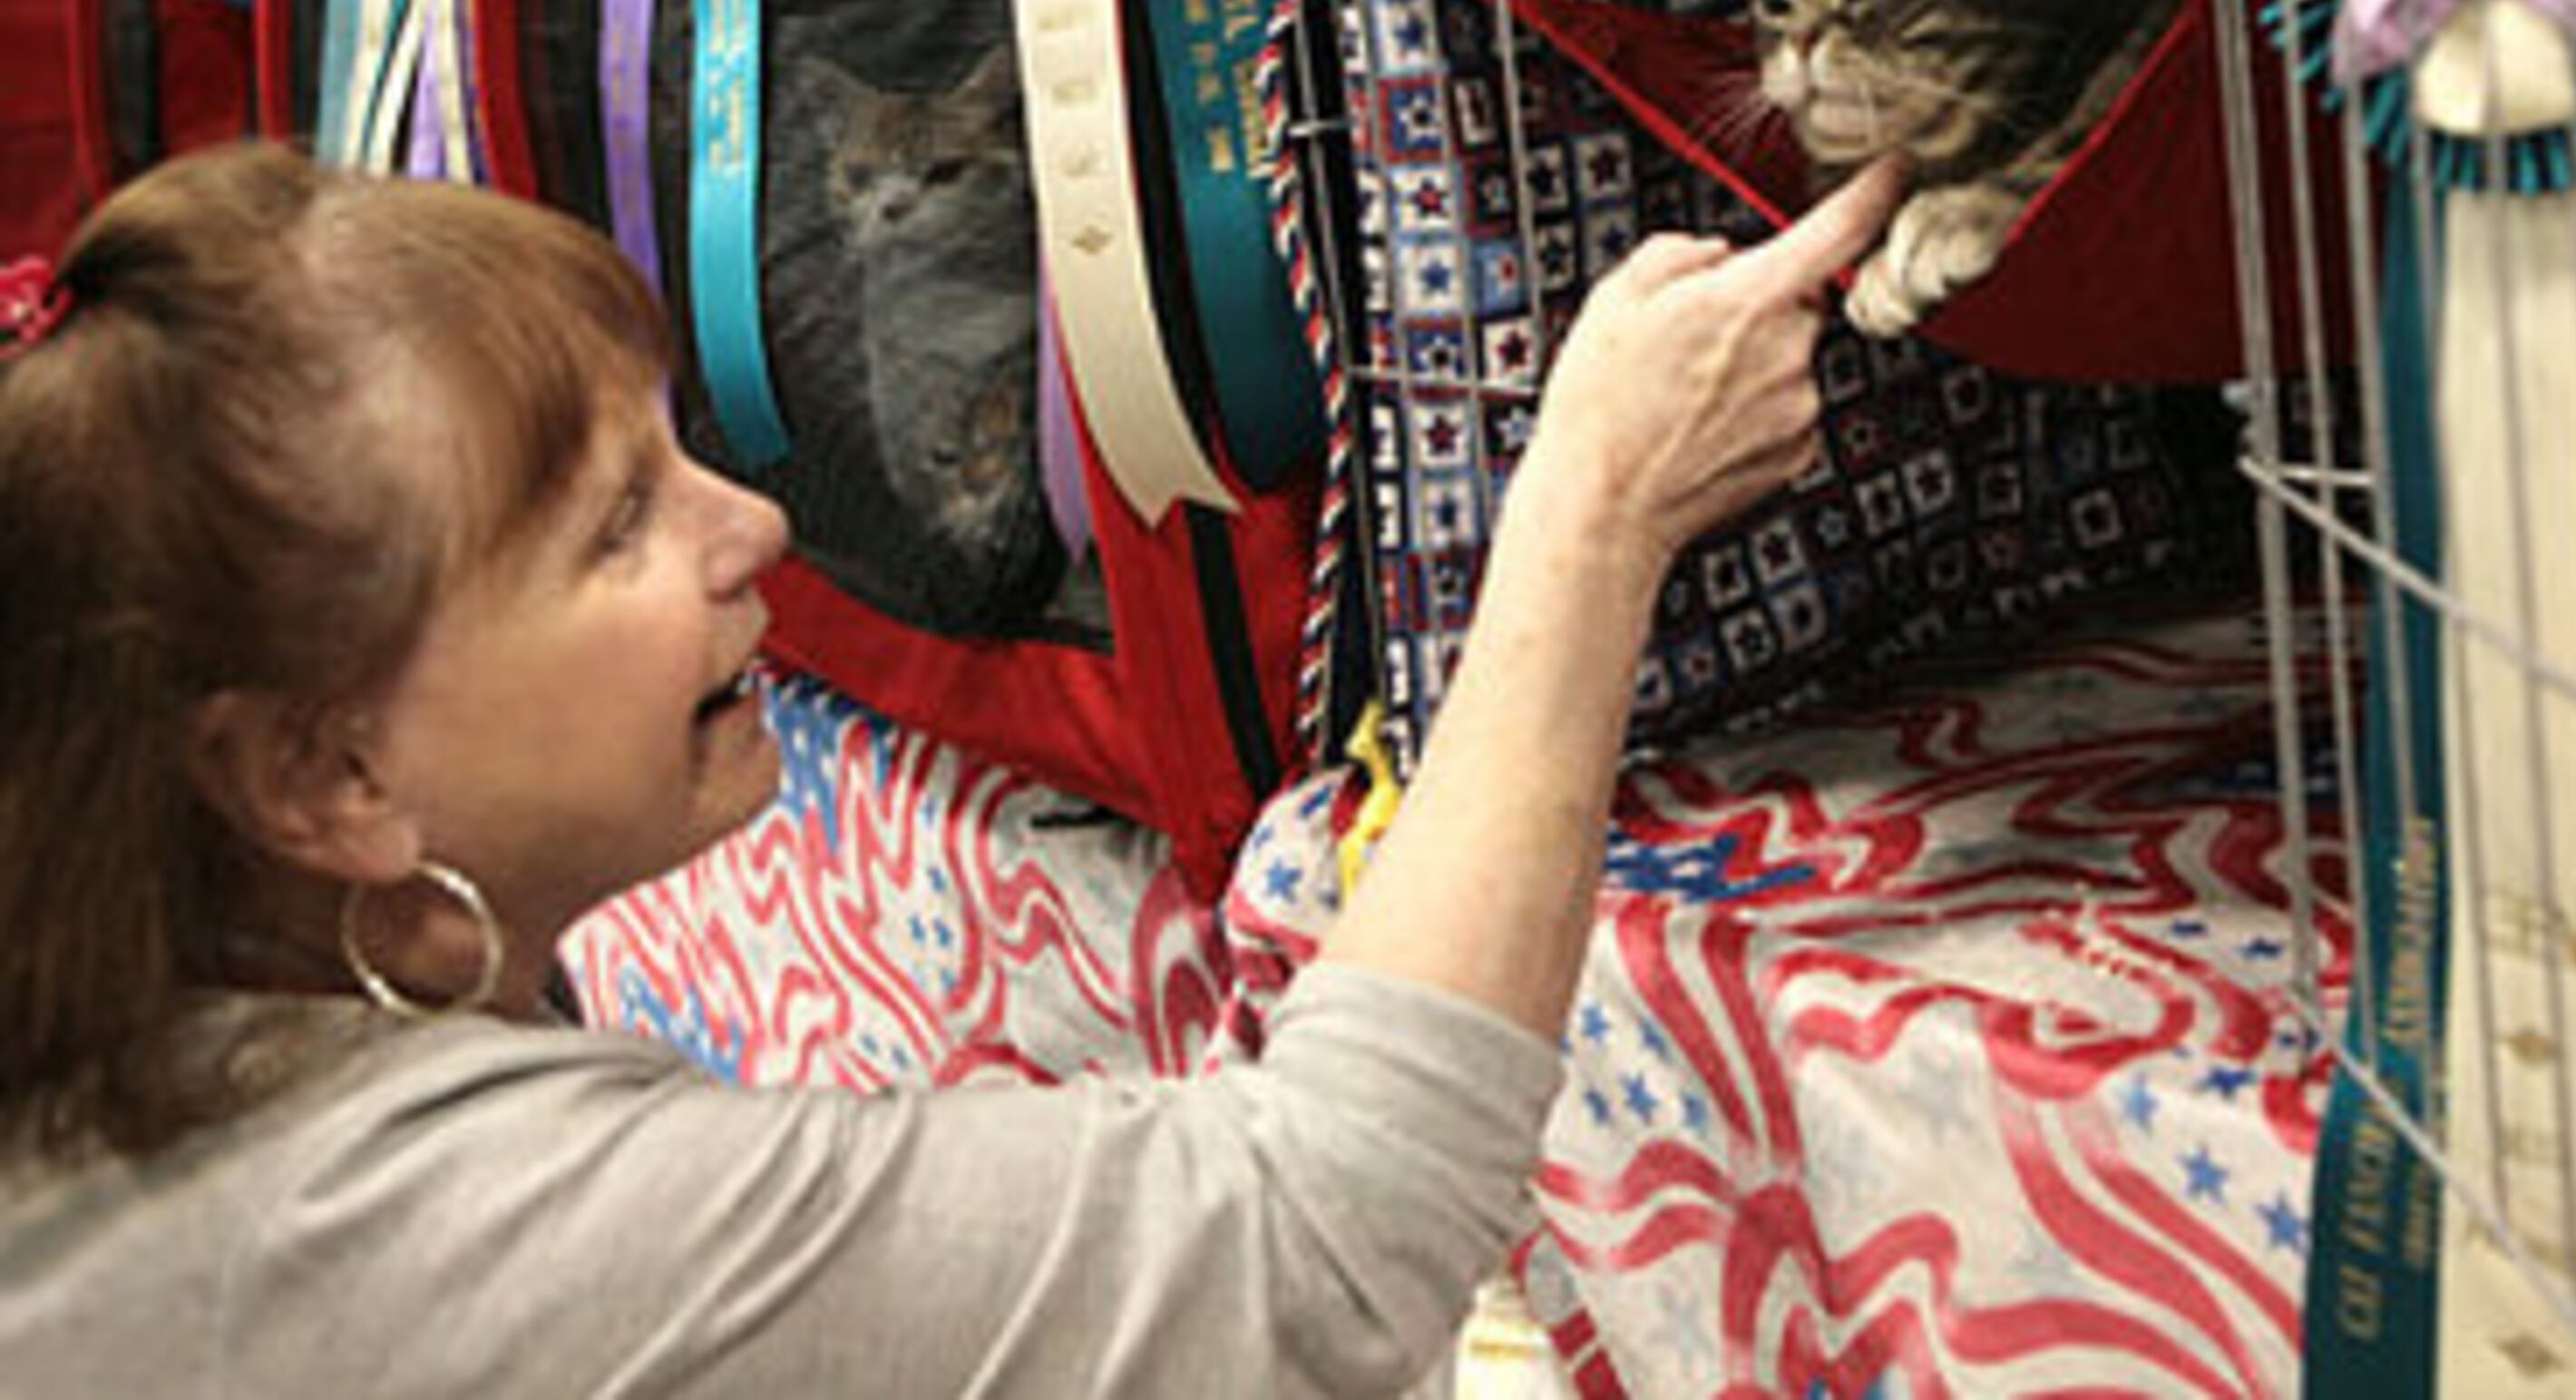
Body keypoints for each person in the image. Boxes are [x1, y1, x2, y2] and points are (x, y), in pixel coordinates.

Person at [0, 138, 1903, 1396]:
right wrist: (1590, 515)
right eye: (612, 529)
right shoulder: (440, 1228)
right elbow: (1316, 1236)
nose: (750, 522)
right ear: (327, 779)